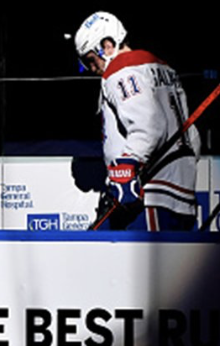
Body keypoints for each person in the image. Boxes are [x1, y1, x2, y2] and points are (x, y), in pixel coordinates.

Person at [75, 11, 200, 231]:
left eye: (90, 60)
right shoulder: (164, 68)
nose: (91, 69)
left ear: (107, 45)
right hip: (178, 194)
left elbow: (149, 127)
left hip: (148, 197)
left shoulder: (120, 70)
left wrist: (128, 165)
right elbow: (193, 138)